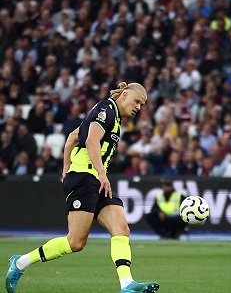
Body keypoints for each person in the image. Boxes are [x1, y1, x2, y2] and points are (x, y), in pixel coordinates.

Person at [5, 82, 159, 293]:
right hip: (85, 177)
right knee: (75, 242)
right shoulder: (106, 109)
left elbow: (72, 137)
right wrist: (88, 173)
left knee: (121, 228)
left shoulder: (113, 117)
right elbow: (91, 141)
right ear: (124, 95)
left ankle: (127, 285)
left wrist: (65, 168)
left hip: (94, 178)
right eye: (137, 101)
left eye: (142, 104)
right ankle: (20, 263)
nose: (139, 107)